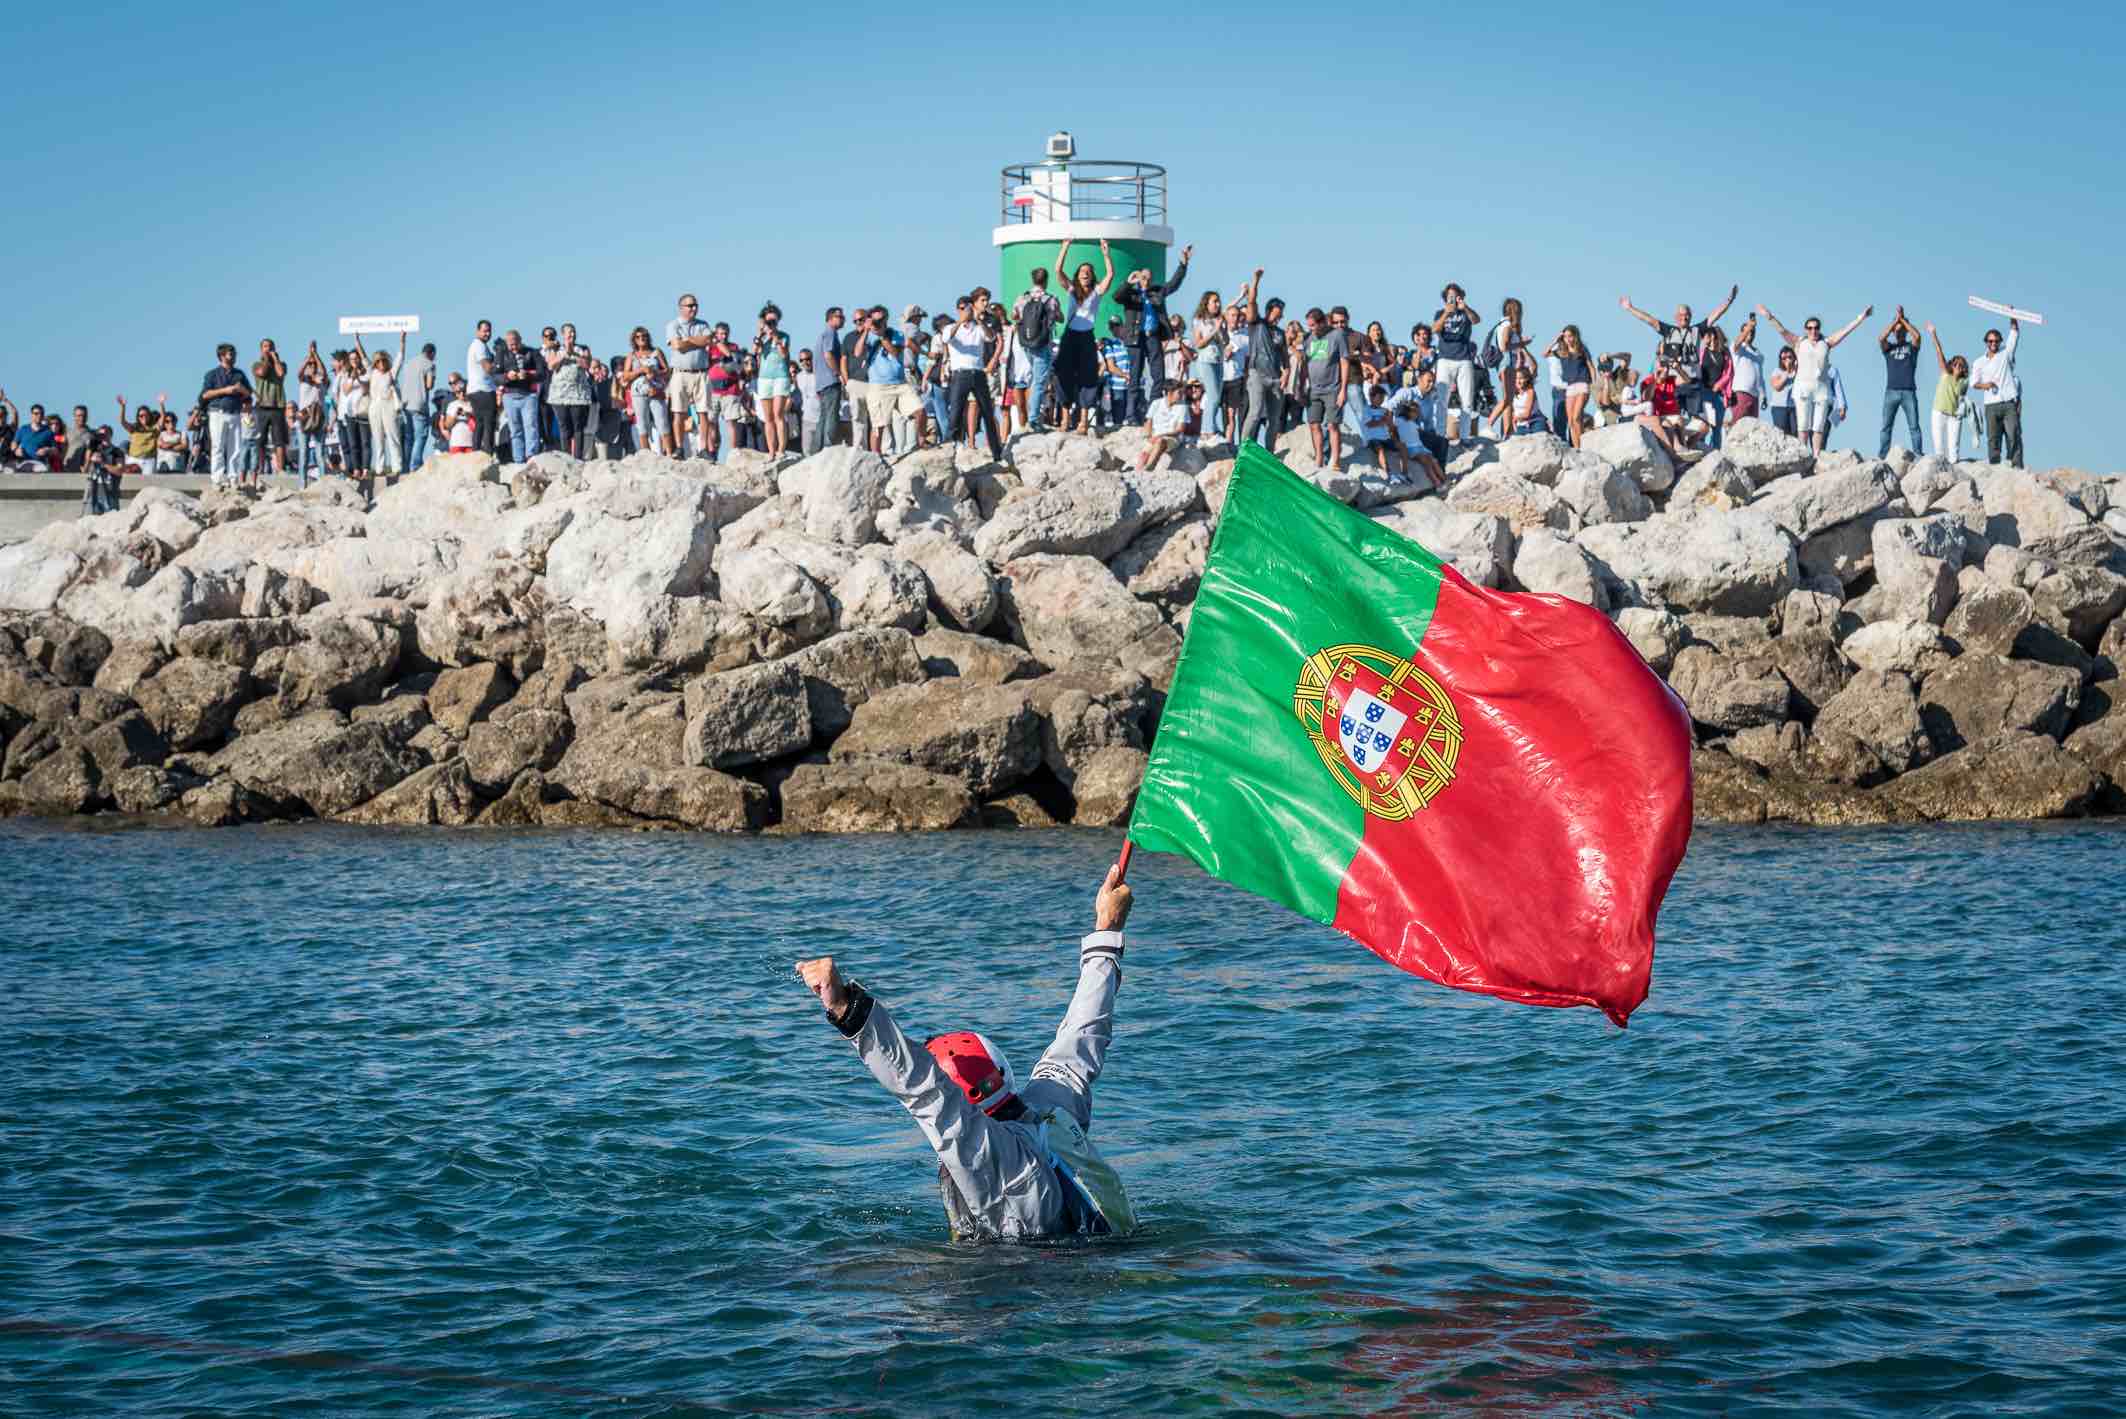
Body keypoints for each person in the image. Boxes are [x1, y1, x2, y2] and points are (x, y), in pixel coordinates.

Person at [793, 863, 1137, 1241]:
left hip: (1029, 1281)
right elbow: (1083, 1031)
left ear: (965, 1105)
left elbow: (921, 1088)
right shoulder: (1050, 1107)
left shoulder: (984, 1152)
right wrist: (1107, 929)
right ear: (1002, 1072)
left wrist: (844, 1007)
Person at [1619, 286, 1739, 449]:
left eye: (1688, 314)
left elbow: (1714, 316)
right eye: (1682, 314)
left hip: (1693, 385)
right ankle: (1674, 446)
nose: (1685, 317)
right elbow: (1649, 320)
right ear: (1676, 317)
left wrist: (1729, 301)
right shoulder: (1669, 331)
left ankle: (1692, 447)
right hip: (1674, 385)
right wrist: (1630, 308)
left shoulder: (1697, 330)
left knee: (1700, 424)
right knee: (1674, 419)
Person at [1756, 304, 1871, 454]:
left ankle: (1816, 456)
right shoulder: (1799, 342)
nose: (1813, 331)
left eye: (1816, 327)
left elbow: (1844, 332)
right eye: (1810, 328)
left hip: (1821, 390)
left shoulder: (1826, 343)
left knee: (1818, 426)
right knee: (1803, 425)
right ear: (1806, 329)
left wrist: (1861, 318)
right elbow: (1782, 330)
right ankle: (1803, 455)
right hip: (1803, 389)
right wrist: (1768, 316)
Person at [1113, 243, 1191, 422]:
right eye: (1143, 277)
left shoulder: (1157, 292)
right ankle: (1131, 415)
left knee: (1158, 376)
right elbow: (1116, 297)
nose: (1146, 279)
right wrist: (1128, 282)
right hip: (1135, 338)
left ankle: (1152, 413)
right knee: (1135, 376)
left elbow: (1174, 284)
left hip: (1153, 337)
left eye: (1148, 277)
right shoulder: (1130, 294)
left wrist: (1183, 264)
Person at [944, 291, 1005, 461]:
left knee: (987, 413)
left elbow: (991, 337)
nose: (966, 312)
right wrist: (960, 321)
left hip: (978, 374)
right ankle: (949, 450)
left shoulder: (978, 327)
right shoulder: (950, 328)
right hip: (960, 374)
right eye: (963, 309)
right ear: (957, 310)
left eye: (968, 308)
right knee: (955, 413)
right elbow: (946, 338)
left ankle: (997, 452)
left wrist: (978, 320)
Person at [1011, 268, 1062, 437]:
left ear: (1032, 279)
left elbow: (1014, 316)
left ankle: (1031, 418)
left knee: (1034, 380)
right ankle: (1033, 419)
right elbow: (1058, 317)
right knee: (1039, 382)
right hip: (1042, 344)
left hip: (1026, 343)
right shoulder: (1050, 299)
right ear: (1046, 280)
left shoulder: (1022, 298)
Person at [1430, 284, 1483, 445]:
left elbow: (1477, 320)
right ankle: (1440, 434)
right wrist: (1447, 312)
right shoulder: (1440, 313)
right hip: (1445, 358)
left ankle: (1465, 436)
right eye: (1449, 296)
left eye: (1455, 295)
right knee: (1441, 400)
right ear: (1445, 298)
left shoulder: (1466, 312)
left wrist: (1465, 307)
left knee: (1466, 399)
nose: (1452, 298)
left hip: (1464, 359)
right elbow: (1435, 329)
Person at [1299, 307, 1349, 468]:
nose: (1311, 329)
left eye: (1313, 325)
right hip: (1314, 389)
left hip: (1333, 388)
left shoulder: (1337, 335)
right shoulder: (1308, 339)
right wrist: (1301, 386)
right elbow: (1304, 365)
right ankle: (1319, 459)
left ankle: (1335, 460)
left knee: (1332, 425)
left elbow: (1344, 361)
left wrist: (1343, 390)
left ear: (1322, 323)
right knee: (1314, 424)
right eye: (1309, 326)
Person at [199, 342, 253, 489]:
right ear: (222, 356)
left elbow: (250, 394)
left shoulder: (239, 374)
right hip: (218, 412)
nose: (234, 356)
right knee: (218, 446)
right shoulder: (212, 374)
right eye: (230, 354)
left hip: (235, 413)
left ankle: (233, 477)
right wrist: (225, 390)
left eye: (234, 354)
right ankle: (217, 478)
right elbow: (205, 394)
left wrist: (241, 389)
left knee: (235, 447)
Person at [1970, 318, 2023, 467]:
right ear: (1986, 342)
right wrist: (1985, 385)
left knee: (2013, 435)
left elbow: (2013, 337)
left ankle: (2016, 465)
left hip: (2008, 402)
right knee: (1993, 438)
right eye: (1990, 341)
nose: (1993, 344)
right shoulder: (1979, 361)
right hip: (1991, 405)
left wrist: (2013, 321)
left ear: (2000, 342)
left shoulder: (2005, 354)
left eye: (1996, 341)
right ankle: (1995, 465)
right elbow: (1973, 382)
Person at [355, 333, 406, 478]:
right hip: (375, 406)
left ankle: (397, 466)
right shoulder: (373, 373)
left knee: (393, 436)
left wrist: (402, 339)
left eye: (384, 361)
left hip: (389, 404)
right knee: (377, 438)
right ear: (376, 363)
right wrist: (357, 341)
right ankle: (379, 468)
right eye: (379, 361)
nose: (382, 363)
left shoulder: (391, 373)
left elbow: (400, 358)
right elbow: (364, 358)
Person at [1878, 307, 1925, 456]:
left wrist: (1903, 320)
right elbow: (1881, 338)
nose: (1899, 332)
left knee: (1914, 426)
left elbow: (1917, 336)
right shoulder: (1888, 348)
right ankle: (1883, 455)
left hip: (1908, 391)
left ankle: (1918, 453)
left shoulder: (1912, 347)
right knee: (1886, 426)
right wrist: (1895, 323)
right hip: (1891, 391)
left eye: (1902, 330)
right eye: (1896, 331)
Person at [1922, 322, 1971, 462]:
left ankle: (1954, 470)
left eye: (1961, 365)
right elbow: (1939, 351)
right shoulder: (1945, 373)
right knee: (1939, 448)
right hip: (1939, 412)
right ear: (1951, 364)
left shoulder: (1964, 382)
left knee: (1954, 449)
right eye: (1956, 363)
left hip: (1954, 416)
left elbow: (1962, 398)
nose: (1958, 366)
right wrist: (1933, 334)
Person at [547, 329, 597, 460]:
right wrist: (564, 354)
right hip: (560, 394)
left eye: (573, 332)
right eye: (569, 332)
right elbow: (551, 366)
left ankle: (578, 458)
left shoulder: (583, 348)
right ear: (563, 335)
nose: (572, 335)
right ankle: (566, 457)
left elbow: (587, 364)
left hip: (579, 394)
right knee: (564, 427)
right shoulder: (555, 349)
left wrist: (574, 354)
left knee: (578, 428)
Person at [621, 326, 671, 456]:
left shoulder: (656, 352)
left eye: (644, 336)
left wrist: (655, 372)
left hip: (655, 389)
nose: (641, 339)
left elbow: (667, 370)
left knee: (662, 421)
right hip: (638, 390)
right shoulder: (632, 356)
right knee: (642, 423)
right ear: (634, 340)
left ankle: (669, 453)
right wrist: (640, 370)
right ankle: (646, 454)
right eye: (638, 337)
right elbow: (625, 375)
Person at [752, 304, 794, 458]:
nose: (771, 324)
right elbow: (754, 351)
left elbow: (784, 354)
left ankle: (781, 450)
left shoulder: (784, 336)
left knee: (778, 414)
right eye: (768, 321)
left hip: (780, 377)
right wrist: (760, 334)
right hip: (764, 378)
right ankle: (771, 451)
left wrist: (775, 336)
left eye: (773, 321)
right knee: (768, 417)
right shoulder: (762, 338)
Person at [496, 329, 544, 461]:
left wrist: (528, 374)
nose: (513, 347)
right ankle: (518, 459)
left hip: (528, 395)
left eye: (515, 343)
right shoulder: (502, 354)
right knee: (515, 429)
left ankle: (531, 456)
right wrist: (507, 376)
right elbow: (495, 377)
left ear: (520, 340)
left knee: (531, 426)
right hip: (510, 395)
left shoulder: (532, 352)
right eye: (510, 344)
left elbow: (542, 373)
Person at [1544, 326, 1595, 447]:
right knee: (1571, 421)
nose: (1568, 339)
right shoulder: (1562, 351)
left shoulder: (1582, 349)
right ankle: (1577, 448)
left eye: (1570, 336)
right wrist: (1556, 339)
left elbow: (1591, 366)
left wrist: (1593, 384)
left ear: (1575, 336)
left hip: (1583, 384)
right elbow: (1545, 353)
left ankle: (1582, 445)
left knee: (1577, 416)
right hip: (1570, 387)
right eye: (1565, 336)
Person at [806, 307, 846, 453]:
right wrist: (839, 373)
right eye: (839, 316)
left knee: (823, 417)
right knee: (831, 416)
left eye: (842, 317)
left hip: (822, 383)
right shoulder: (830, 333)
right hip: (830, 381)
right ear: (830, 318)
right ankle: (829, 447)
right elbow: (828, 355)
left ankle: (816, 449)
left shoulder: (822, 335)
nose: (842, 319)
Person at [251, 338, 289, 479]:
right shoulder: (256, 364)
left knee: (279, 440)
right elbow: (262, 372)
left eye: (271, 347)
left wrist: (274, 359)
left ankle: (280, 469)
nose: (268, 349)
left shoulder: (281, 364)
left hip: (277, 406)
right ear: (261, 349)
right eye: (266, 347)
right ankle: (260, 468)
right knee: (260, 440)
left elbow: (280, 373)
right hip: (262, 406)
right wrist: (267, 359)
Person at [397, 341, 436, 471]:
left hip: (406, 404)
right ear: (431, 353)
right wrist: (432, 378)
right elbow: (429, 385)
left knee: (409, 437)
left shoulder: (409, 363)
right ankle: (415, 465)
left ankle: (405, 467)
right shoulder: (429, 364)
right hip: (419, 405)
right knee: (421, 436)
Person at [465, 320, 498, 454]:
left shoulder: (479, 345)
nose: (487, 334)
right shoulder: (479, 346)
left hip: (475, 390)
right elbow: (488, 368)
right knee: (488, 423)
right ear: (477, 331)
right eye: (484, 331)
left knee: (480, 423)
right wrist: (500, 364)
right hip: (483, 389)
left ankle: (476, 452)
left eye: (489, 331)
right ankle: (486, 454)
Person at [1728, 317, 1767, 423]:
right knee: (1736, 424)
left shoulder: (1759, 354)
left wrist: (1763, 395)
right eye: (1748, 331)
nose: (1750, 333)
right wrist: (1749, 326)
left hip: (1755, 396)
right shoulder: (1739, 348)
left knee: (1752, 428)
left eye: (1752, 331)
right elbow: (1737, 344)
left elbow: (1760, 376)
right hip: (1741, 392)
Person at [115, 394, 162, 475]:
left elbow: (162, 419)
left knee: (147, 485)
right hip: (134, 459)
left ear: (149, 416)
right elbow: (122, 421)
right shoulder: (134, 428)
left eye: (146, 415)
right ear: (138, 417)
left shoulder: (154, 429)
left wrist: (161, 404)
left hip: (148, 460)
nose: (143, 417)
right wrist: (123, 407)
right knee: (130, 482)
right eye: (141, 416)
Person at [441, 373, 478, 453]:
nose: (462, 394)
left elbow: (480, 419)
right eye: (459, 392)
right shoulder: (452, 404)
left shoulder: (473, 403)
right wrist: (455, 415)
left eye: (463, 391)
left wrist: (469, 414)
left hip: (472, 443)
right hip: (456, 443)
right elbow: (447, 425)